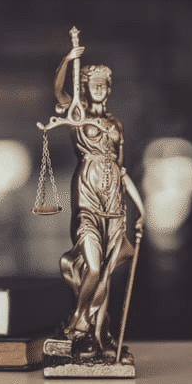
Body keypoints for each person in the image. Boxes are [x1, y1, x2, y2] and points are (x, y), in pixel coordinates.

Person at [53, 47, 145, 356]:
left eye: (104, 85)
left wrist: (141, 209)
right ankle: (78, 322)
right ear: (85, 88)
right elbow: (58, 90)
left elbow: (122, 171)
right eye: (94, 84)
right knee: (92, 267)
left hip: (114, 202)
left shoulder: (116, 124)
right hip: (88, 196)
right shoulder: (77, 114)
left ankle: (98, 336)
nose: (100, 89)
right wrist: (68, 60)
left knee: (107, 271)